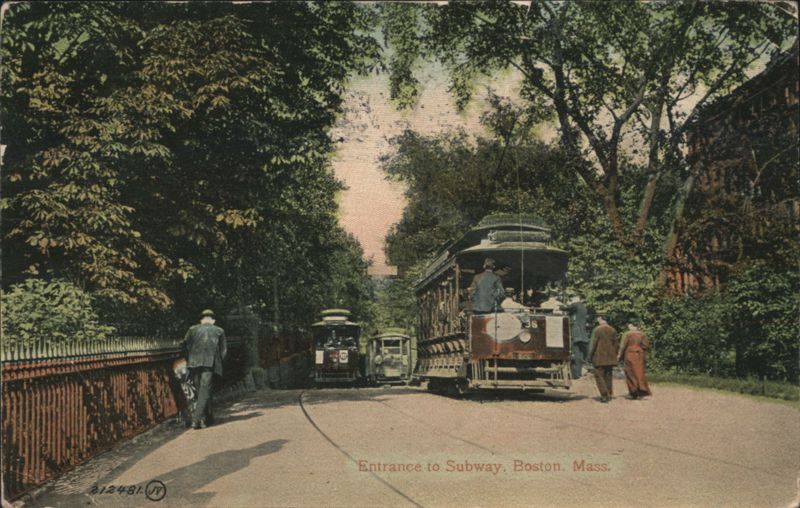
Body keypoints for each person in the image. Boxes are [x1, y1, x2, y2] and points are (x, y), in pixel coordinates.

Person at [183, 309, 227, 429]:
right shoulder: (219, 330)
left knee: (201, 391)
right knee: (205, 391)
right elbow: (224, 350)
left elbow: (185, 345)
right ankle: (196, 420)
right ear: (213, 320)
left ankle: (208, 417)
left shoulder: (192, 329)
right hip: (210, 363)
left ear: (201, 319)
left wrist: (189, 359)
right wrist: (219, 362)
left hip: (194, 363)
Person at [618, 323, 652, 399]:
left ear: (633, 326)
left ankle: (634, 392)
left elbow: (622, 346)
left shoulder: (627, 334)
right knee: (639, 373)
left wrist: (619, 355)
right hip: (640, 355)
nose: (628, 327)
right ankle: (642, 390)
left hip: (629, 354)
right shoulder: (642, 334)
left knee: (630, 373)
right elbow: (646, 345)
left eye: (630, 325)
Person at [589, 316, 619, 403]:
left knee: (599, 375)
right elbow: (616, 344)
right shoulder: (613, 330)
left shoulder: (597, 330)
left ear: (602, 319)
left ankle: (604, 394)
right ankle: (609, 393)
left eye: (598, 318)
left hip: (599, 357)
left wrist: (589, 356)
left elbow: (593, 344)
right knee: (608, 376)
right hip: (610, 357)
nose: (597, 320)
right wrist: (615, 354)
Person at [562, 294, 590, 379]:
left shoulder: (576, 305)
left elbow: (566, 308)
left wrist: (559, 306)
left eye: (571, 300)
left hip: (576, 334)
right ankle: (578, 373)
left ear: (575, 299)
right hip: (582, 334)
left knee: (575, 353)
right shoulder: (582, 307)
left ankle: (575, 374)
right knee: (579, 354)